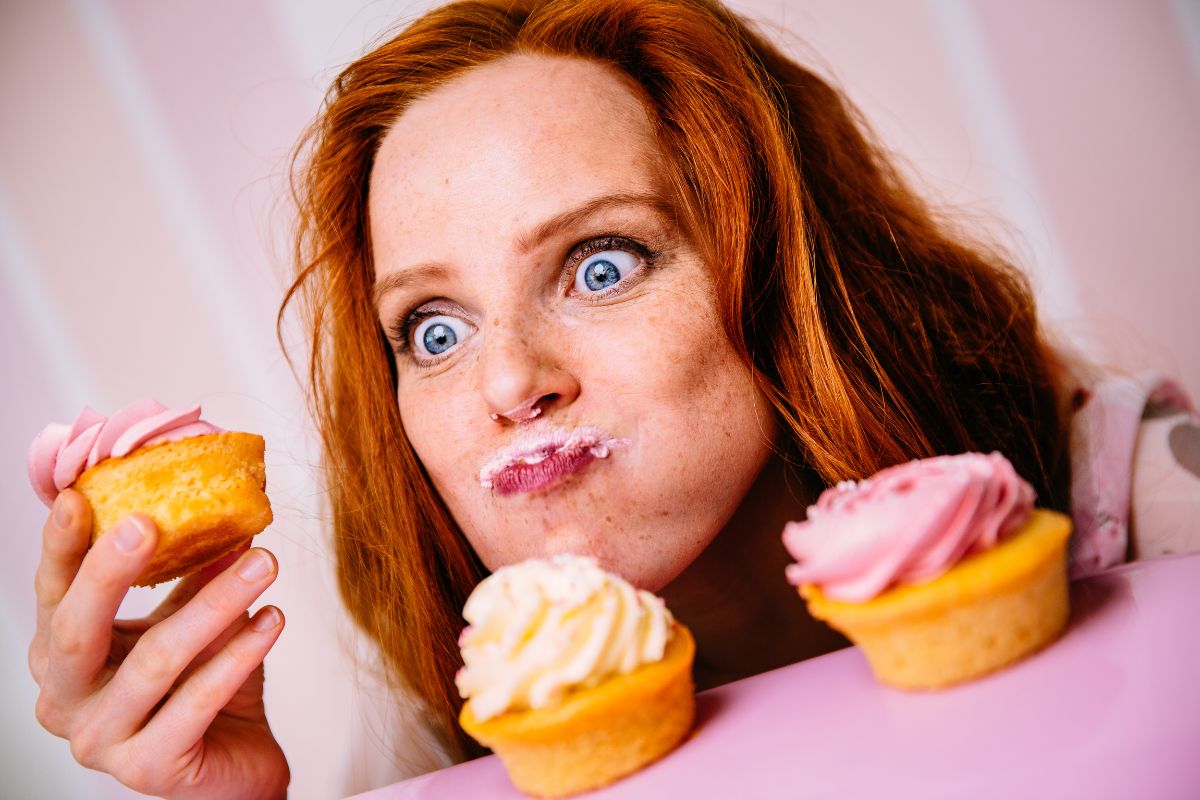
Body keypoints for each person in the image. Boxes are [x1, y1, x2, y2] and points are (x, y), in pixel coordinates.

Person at [26, 0, 1200, 797]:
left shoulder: (1142, 500)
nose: (508, 382)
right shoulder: (465, 723)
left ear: (782, 271)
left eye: (601, 264)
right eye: (434, 329)